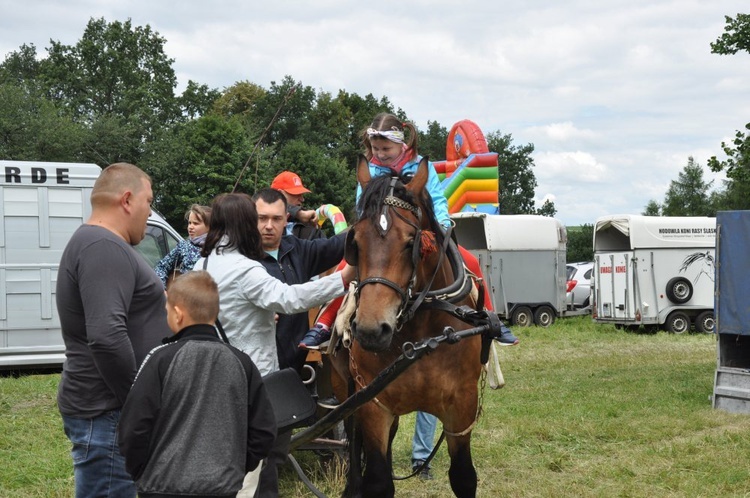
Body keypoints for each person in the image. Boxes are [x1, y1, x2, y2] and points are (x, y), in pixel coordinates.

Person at [301, 112, 518, 480]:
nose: (379, 154)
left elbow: (438, 201)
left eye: (385, 147)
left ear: (402, 144)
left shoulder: (422, 167)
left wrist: (441, 228)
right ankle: (325, 323)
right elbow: (361, 206)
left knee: (469, 261)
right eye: (374, 148)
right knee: (347, 271)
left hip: (424, 231)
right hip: (379, 235)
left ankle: (489, 318)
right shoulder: (369, 172)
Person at [197, 192, 354, 498]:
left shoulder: (205, 261)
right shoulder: (245, 269)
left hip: (219, 376)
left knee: (233, 463)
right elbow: (291, 298)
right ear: (245, 225)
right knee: (261, 467)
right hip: (255, 381)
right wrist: (343, 279)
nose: (264, 228)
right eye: (256, 220)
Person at [56, 162, 172, 498]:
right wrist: (139, 402)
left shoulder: (102, 244)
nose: (149, 213)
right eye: (148, 202)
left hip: (109, 411)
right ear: (126, 200)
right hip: (108, 413)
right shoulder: (102, 246)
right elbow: (106, 337)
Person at [118, 271, 277, 497]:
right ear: (215, 312)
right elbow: (263, 430)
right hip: (222, 487)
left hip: (161, 487)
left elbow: (133, 427)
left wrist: (141, 472)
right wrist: (237, 470)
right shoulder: (242, 363)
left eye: (166, 312)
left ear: (178, 314)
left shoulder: (159, 360)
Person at [253, 187, 345, 372]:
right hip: (254, 371)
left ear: (286, 218)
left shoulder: (297, 250)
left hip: (294, 368)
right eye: (262, 218)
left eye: (276, 219)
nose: (269, 225)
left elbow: (337, 244)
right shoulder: (239, 259)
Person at [153, 204, 211, 288]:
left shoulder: (218, 247)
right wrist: (162, 290)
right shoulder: (184, 246)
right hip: (185, 297)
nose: (190, 227)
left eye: (196, 223)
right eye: (189, 223)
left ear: (209, 226)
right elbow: (161, 267)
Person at [270, 170, 321, 237]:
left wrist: (314, 230)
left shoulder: (307, 222)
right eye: (296, 194)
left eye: (302, 195)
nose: (302, 199)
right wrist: (298, 213)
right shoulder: (259, 221)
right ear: (280, 195)